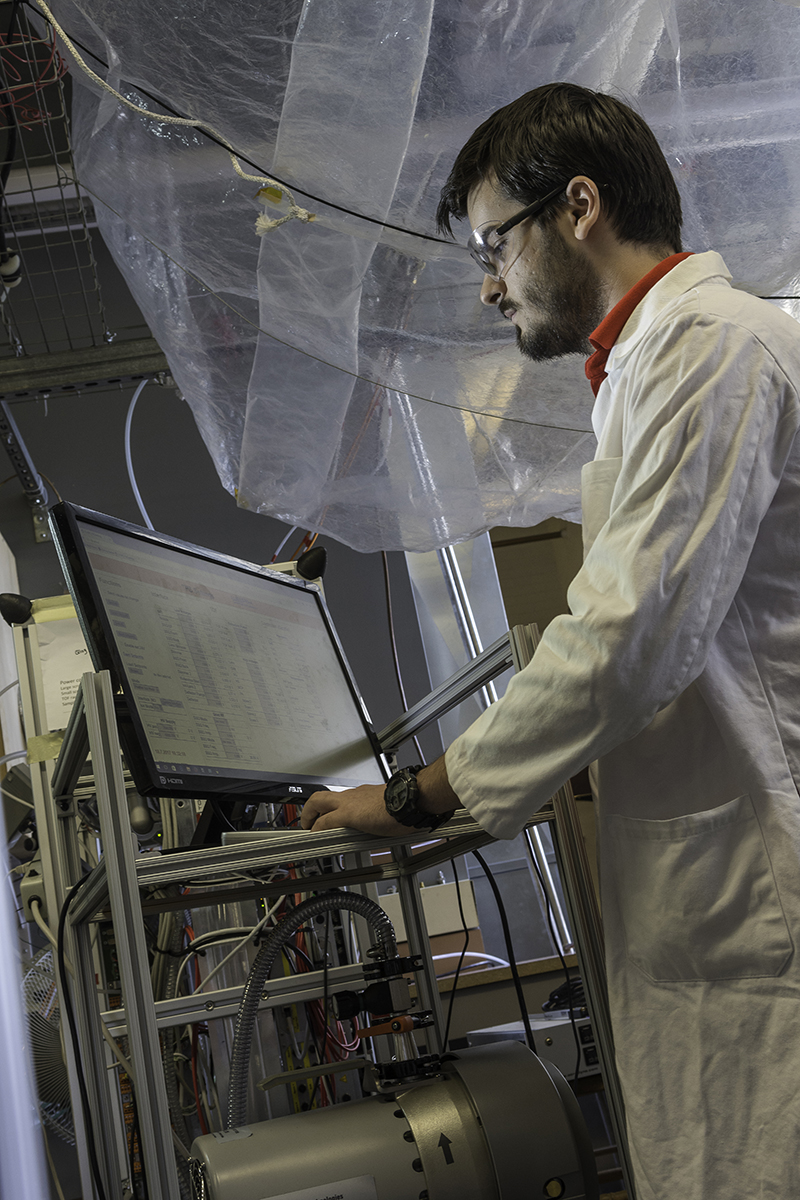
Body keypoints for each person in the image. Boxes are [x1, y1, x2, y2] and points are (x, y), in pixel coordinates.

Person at [301, 83, 800, 1198]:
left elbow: (622, 640)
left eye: (494, 243)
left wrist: (426, 795)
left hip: (760, 888)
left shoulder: (713, 350)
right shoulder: (648, 368)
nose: (488, 283)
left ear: (578, 207)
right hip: (719, 883)